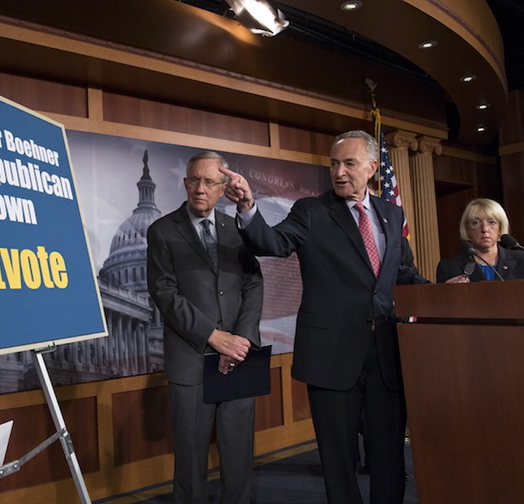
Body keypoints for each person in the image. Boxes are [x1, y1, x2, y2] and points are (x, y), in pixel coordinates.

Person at [220, 130, 429, 504]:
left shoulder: (392, 214)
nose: (340, 171)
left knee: (389, 457)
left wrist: (444, 291)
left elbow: (402, 274)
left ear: (372, 168)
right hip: (331, 358)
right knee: (338, 463)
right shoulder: (312, 212)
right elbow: (273, 243)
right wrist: (249, 207)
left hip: (386, 355)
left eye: (349, 163)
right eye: (334, 163)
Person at [147, 151, 264, 504]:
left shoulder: (237, 228)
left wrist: (240, 340)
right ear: (185, 183)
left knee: (239, 456)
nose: (200, 188)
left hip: (239, 358)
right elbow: (165, 294)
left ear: (223, 188)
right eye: (194, 180)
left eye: (209, 182)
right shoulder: (162, 230)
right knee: (191, 460)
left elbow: (253, 283)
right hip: (193, 358)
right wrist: (215, 337)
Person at [436, 198, 524, 282]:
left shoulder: (521, 260)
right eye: (476, 223)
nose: (485, 229)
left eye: (492, 222)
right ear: (467, 229)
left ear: (500, 228)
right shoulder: (449, 267)